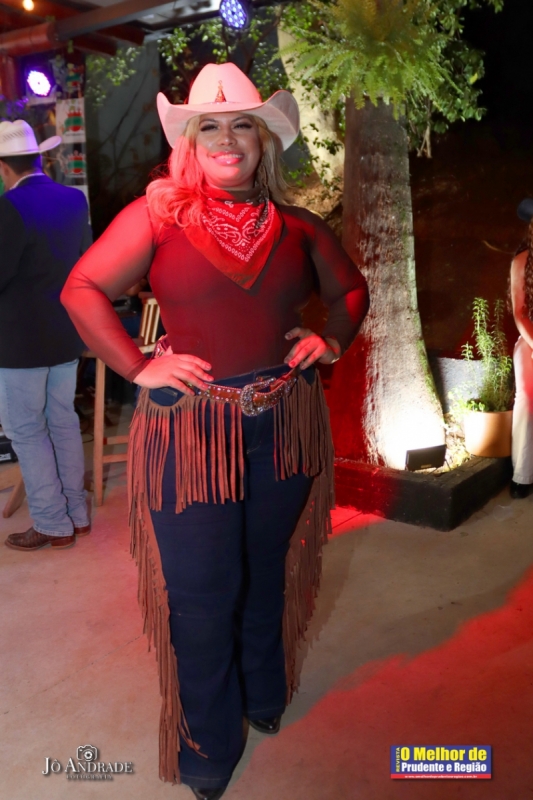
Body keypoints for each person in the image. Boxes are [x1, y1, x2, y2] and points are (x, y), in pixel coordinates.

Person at [61, 62, 369, 799]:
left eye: (242, 127)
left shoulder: (298, 226)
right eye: (209, 127)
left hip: (283, 425)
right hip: (190, 437)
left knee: (265, 573)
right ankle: (207, 740)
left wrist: (329, 340)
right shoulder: (156, 217)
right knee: (201, 593)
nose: (227, 140)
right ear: (189, 143)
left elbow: (351, 290)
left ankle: (262, 692)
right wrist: (138, 366)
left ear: (264, 142)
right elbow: (82, 288)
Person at [0, 120, 92, 550]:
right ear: (40, 159)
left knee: (26, 430)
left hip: (19, 341)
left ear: (4, 167)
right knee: (63, 421)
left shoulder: (9, 206)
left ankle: (53, 522)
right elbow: (86, 261)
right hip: (65, 332)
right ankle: (77, 513)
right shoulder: (73, 199)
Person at [509, 197, 533, 499]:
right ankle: (523, 476)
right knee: (527, 398)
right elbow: (520, 312)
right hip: (530, 339)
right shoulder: (522, 262)